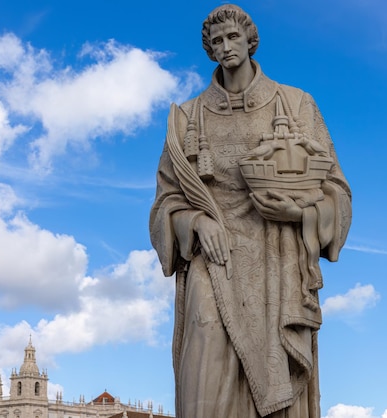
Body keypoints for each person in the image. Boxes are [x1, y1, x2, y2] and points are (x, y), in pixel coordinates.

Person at [149, 5, 351, 418]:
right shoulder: (188, 117)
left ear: (249, 40)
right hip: (214, 256)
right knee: (203, 353)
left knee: (276, 369)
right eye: (217, 41)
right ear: (209, 49)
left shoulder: (295, 105)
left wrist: (299, 216)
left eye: (233, 38)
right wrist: (196, 221)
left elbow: (336, 189)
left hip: (277, 259)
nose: (226, 47)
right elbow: (165, 202)